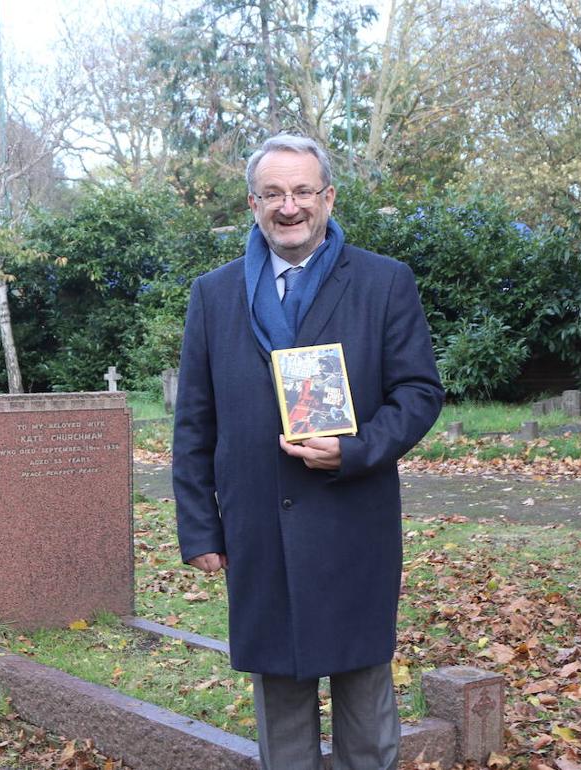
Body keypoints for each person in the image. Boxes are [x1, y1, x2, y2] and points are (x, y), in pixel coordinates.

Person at [172, 134, 443, 770]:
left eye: (301, 192)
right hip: (258, 522)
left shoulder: (383, 282)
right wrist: (199, 526)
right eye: (272, 193)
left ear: (327, 198)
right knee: (280, 696)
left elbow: (419, 392)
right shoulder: (213, 295)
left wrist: (354, 450)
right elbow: (194, 422)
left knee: (364, 696)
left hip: (352, 518)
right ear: (252, 203)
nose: (288, 207)